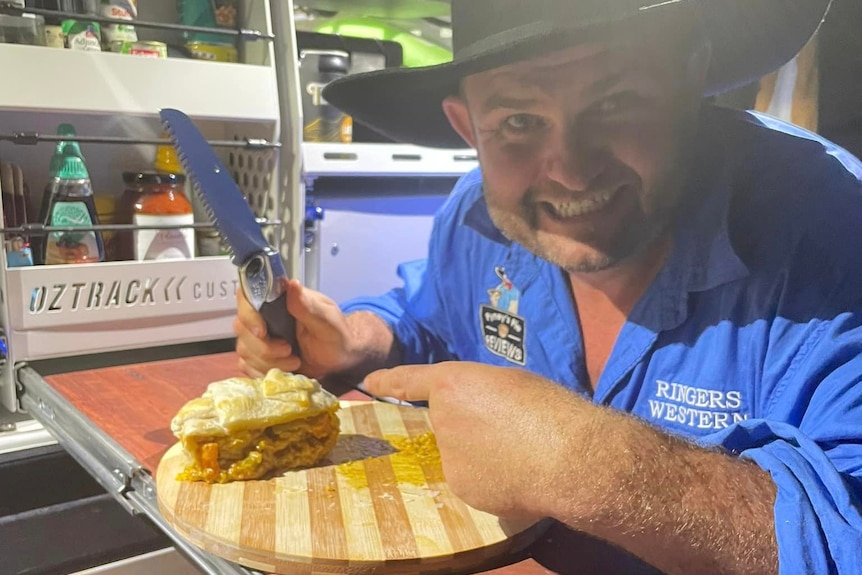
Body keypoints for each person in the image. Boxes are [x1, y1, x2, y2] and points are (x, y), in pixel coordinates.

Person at [234, 0, 862, 573]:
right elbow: (429, 318)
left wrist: (589, 467)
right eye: (518, 121)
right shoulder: (478, 218)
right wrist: (357, 338)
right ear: (467, 126)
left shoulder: (832, 231)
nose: (571, 169)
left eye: (616, 102)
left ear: (689, 79)